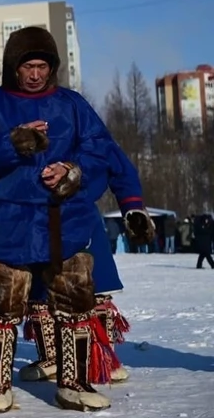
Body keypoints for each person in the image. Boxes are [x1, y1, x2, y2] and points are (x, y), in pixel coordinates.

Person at [0, 25, 114, 414]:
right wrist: (13, 142)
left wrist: (72, 172)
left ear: (52, 68)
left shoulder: (73, 104)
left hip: (62, 219)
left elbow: (100, 151)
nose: (35, 74)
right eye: (28, 65)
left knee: (76, 300)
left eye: (42, 66)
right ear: (14, 67)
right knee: (1, 302)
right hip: (7, 219)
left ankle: (74, 384)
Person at [20, 140, 154, 384]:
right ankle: (51, 356)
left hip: (79, 215)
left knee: (95, 286)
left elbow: (118, 166)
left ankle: (103, 355)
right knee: (39, 290)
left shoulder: (81, 122)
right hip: (34, 217)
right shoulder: (19, 119)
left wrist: (132, 206)